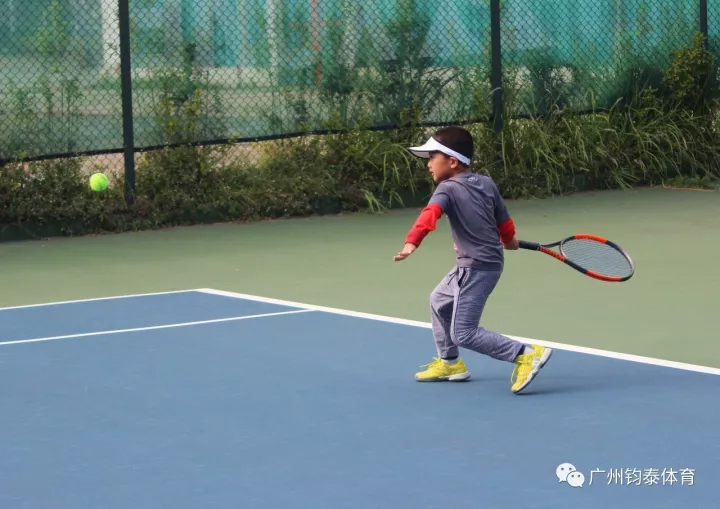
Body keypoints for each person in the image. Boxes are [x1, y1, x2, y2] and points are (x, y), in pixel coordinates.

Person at [393, 126, 552, 394]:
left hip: (475, 267)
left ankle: (526, 354)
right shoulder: (486, 183)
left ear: (452, 162)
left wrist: (412, 242)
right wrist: (509, 239)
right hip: (483, 263)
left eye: (433, 157)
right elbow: (503, 219)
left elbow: (430, 214)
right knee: (439, 300)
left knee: (464, 333)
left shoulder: (446, 188)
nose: (428, 164)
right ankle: (450, 363)